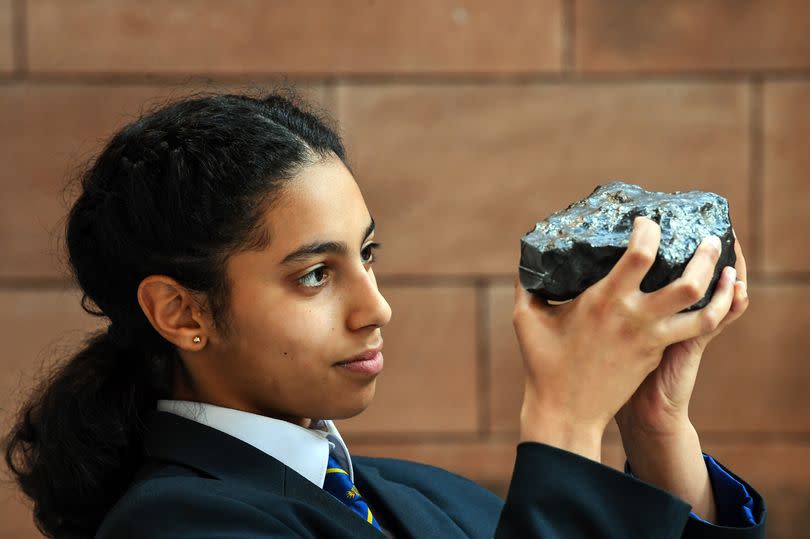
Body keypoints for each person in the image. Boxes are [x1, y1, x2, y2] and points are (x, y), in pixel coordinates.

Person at [3, 91, 765, 538]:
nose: (376, 307)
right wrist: (564, 421)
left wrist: (655, 428)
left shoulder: (424, 494)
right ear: (180, 311)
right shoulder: (179, 523)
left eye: (367, 255)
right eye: (313, 275)